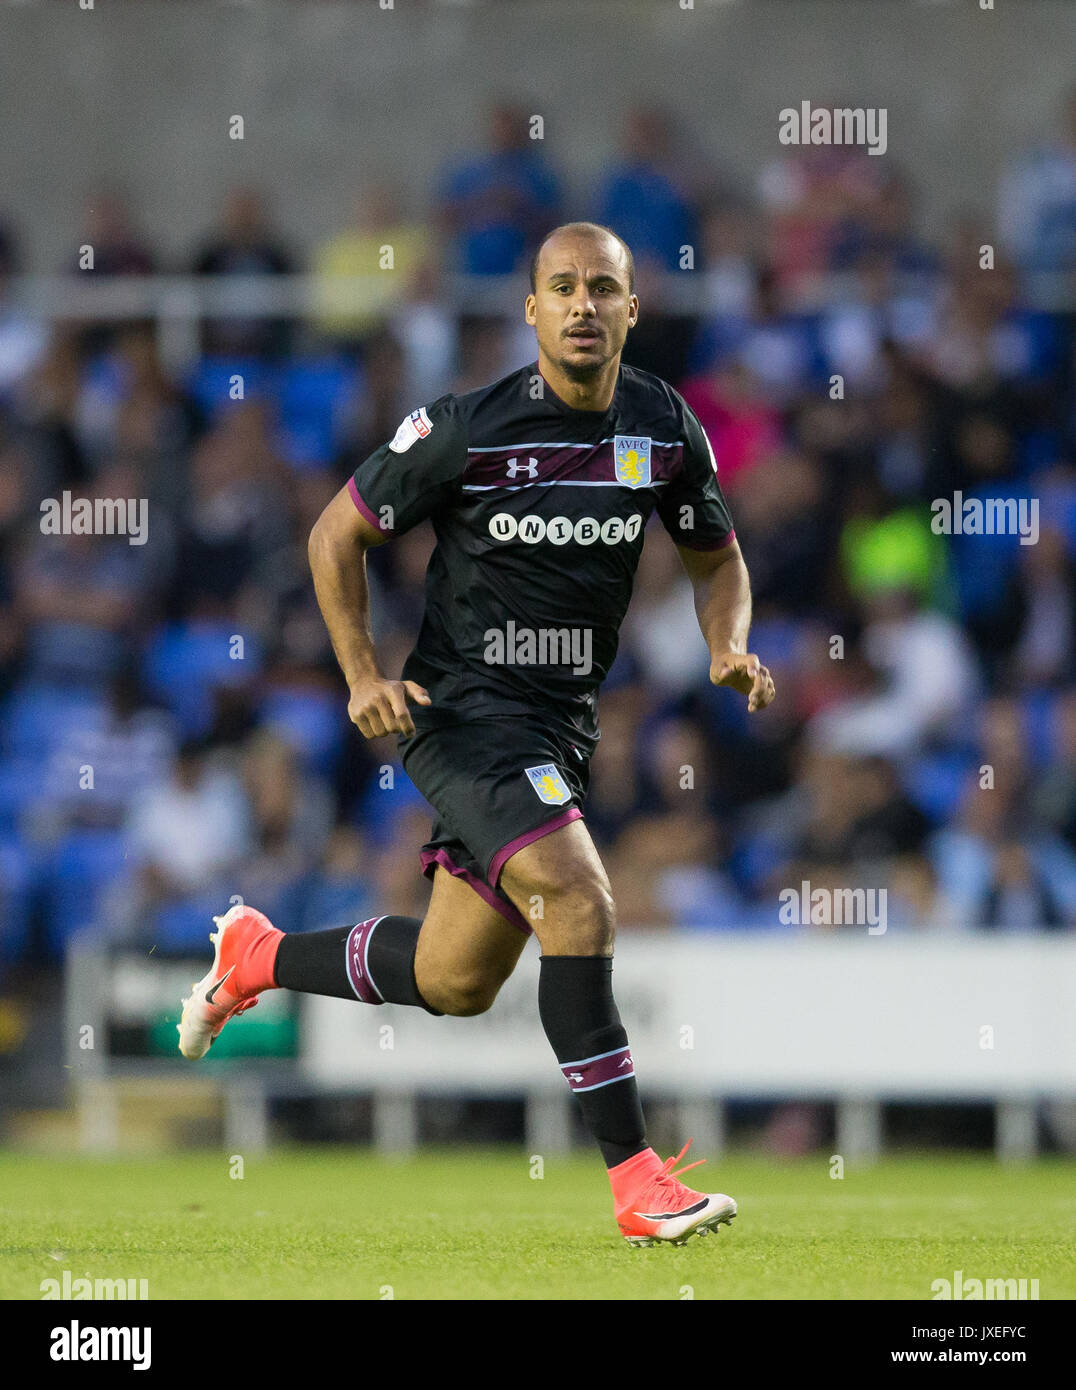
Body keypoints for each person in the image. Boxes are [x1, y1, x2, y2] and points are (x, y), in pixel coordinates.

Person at [177, 222, 776, 1246]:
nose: (583, 305)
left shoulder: (664, 427)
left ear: (632, 309)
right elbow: (336, 533)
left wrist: (724, 645)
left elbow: (715, 555)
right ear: (530, 310)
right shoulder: (466, 427)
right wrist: (362, 672)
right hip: (460, 713)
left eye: (603, 288)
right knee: (580, 898)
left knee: (457, 979)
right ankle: (638, 1181)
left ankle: (258, 954)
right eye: (561, 288)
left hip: (560, 728)